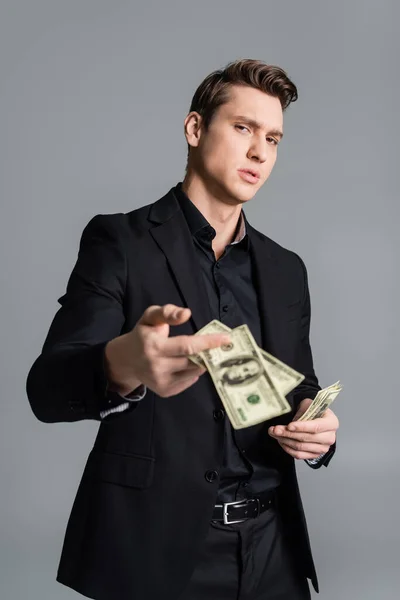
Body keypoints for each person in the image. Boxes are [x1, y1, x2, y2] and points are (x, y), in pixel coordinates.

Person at [26, 59, 339, 600]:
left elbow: (299, 387)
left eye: (273, 138)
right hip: (160, 552)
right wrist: (123, 365)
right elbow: (46, 389)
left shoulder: (288, 269)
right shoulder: (119, 243)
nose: (260, 152)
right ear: (195, 129)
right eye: (243, 128)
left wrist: (318, 433)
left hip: (273, 550)